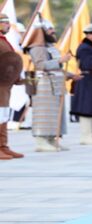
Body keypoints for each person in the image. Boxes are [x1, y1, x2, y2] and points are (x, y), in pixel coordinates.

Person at [24, 19, 72, 152]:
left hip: (55, 83)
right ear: (41, 31)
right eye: (49, 29)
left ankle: (52, 139)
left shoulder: (50, 46)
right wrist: (61, 60)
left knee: (55, 113)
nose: (53, 31)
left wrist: (71, 75)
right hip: (43, 84)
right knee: (45, 113)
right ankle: (41, 141)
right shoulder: (37, 47)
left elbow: (56, 66)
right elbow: (40, 65)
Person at [0, 13, 24, 160]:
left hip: (5, 85)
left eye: (8, 22)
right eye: (4, 22)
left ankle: (3, 146)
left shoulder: (4, 40)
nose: (7, 25)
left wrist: (15, 75)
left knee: (3, 115)